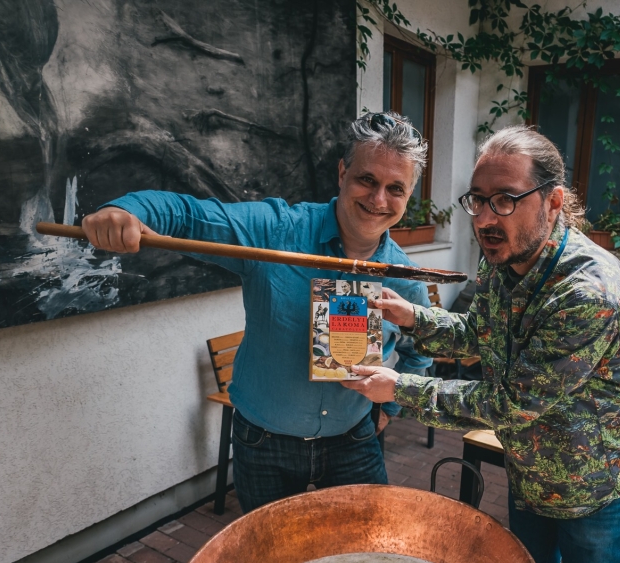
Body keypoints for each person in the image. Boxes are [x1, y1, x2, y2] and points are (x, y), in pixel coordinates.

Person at [343, 126, 620, 563]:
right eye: (478, 199)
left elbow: (510, 403)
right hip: (533, 475)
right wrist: (412, 317)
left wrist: (399, 389)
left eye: (505, 198)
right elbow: (478, 335)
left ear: (554, 200)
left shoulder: (588, 291)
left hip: (598, 490)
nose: (486, 216)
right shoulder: (504, 265)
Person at [81, 111, 432, 513]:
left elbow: (422, 348)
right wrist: (125, 211)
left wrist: (390, 406)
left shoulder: (404, 277)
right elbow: (187, 215)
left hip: (353, 440)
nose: (378, 200)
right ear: (342, 173)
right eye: (367, 179)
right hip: (263, 444)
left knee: (366, 552)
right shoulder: (275, 231)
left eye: (395, 189)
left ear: (408, 197)